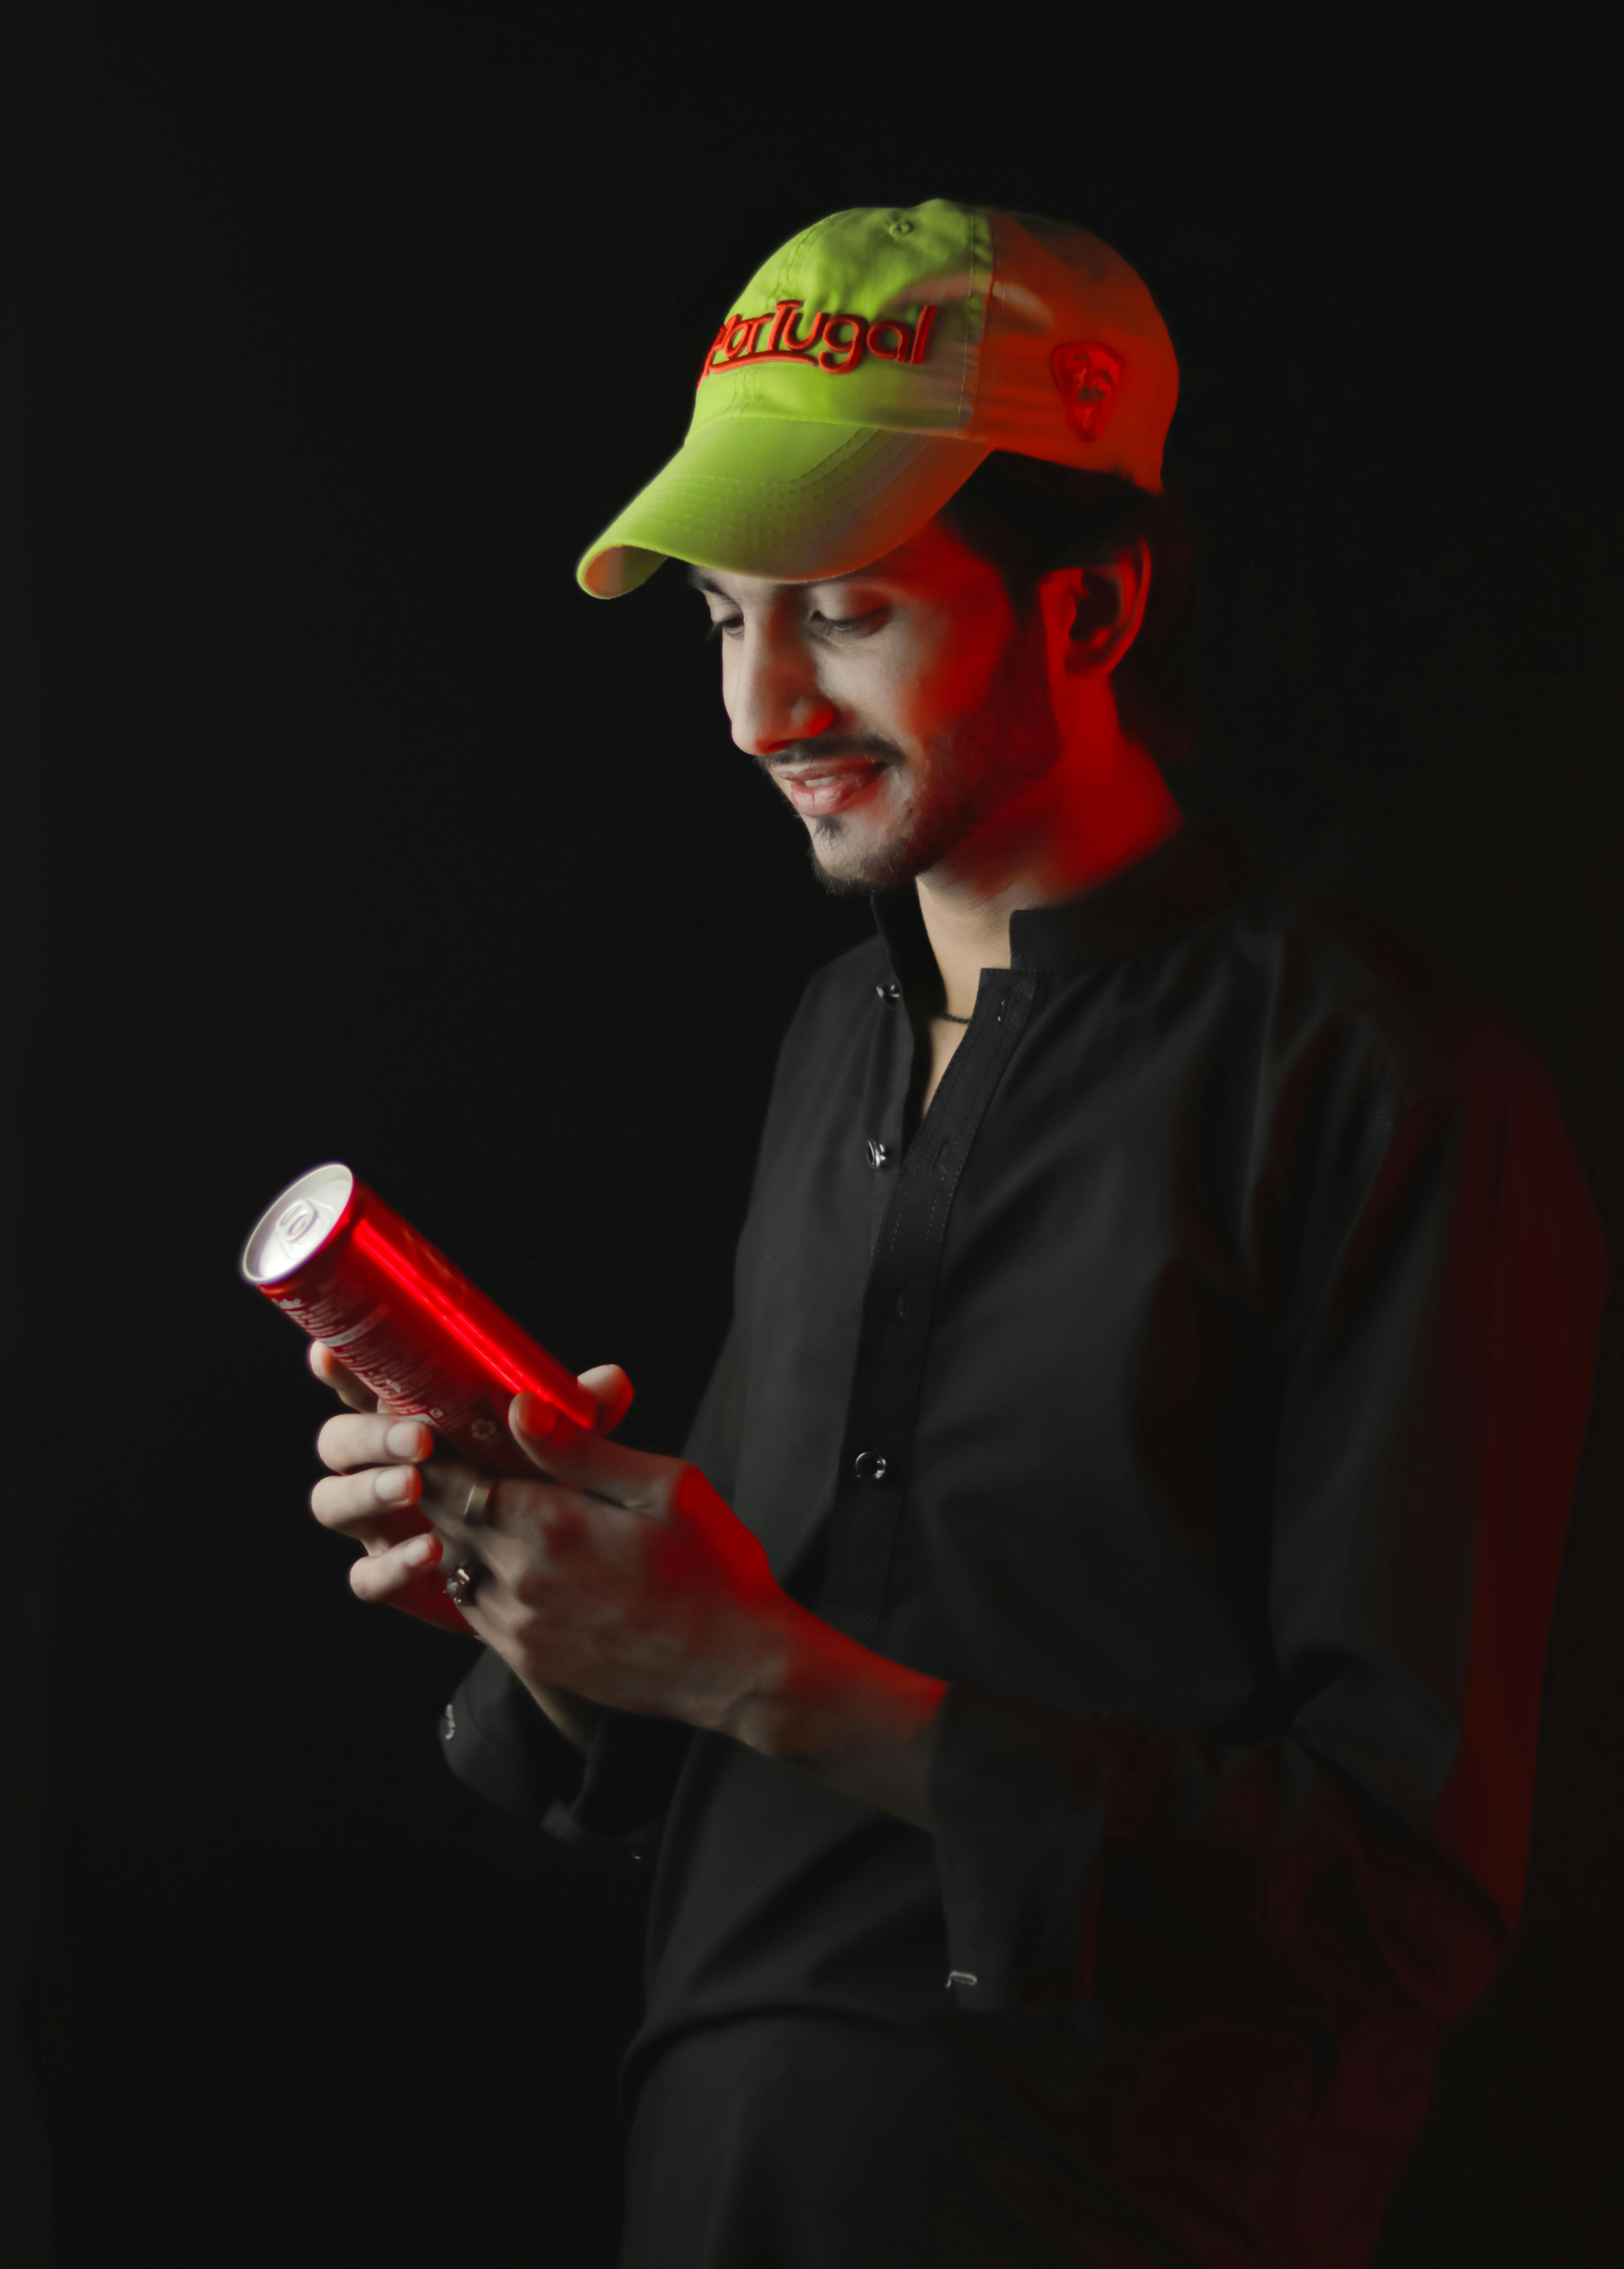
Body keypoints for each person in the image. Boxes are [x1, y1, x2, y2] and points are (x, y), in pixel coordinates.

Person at [307, 201, 1608, 2267]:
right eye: (724, 616)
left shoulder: (1386, 1089)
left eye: (843, 609)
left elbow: (1399, 1893)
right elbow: (753, 1686)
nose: (757, 706)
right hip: (714, 2176)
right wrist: (555, 1607)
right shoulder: (837, 1040)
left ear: (1089, 614)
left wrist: (770, 1673)